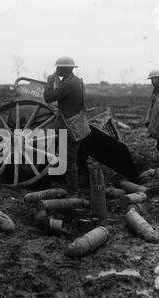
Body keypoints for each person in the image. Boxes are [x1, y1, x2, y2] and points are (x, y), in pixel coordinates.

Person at [44, 57, 92, 197]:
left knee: (69, 159)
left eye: (58, 68)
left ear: (65, 69)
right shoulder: (75, 81)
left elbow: (48, 97)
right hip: (75, 123)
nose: (56, 70)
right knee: (65, 155)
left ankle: (73, 192)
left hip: (71, 127)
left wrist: (49, 83)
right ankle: (59, 181)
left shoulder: (68, 84)